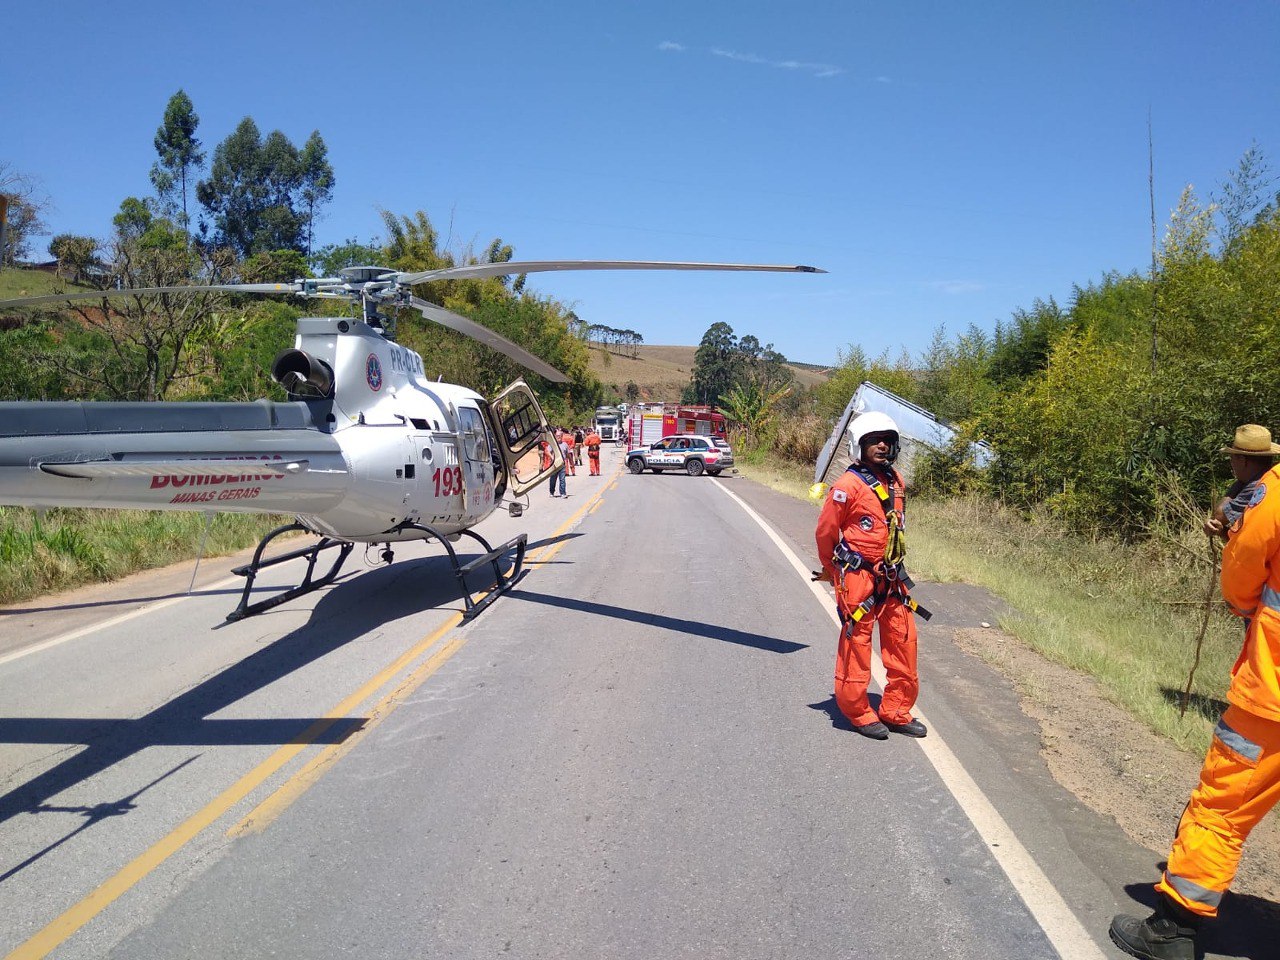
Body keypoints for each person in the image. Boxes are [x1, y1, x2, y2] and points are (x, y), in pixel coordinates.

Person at [1110, 424, 1280, 960]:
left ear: (1239, 460)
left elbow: (1240, 583)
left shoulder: (1271, 498)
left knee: (1221, 805)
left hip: (1273, 692)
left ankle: (1175, 928)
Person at [814, 411, 929, 741]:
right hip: (858, 578)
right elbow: (826, 532)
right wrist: (833, 570)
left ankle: (896, 709)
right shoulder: (846, 486)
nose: (882, 445)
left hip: (892, 579)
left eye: (887, 441)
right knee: (857, 645)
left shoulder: (896, 482)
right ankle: (857, 710)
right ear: (858, 446)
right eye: (873, 440)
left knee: (904, 642)